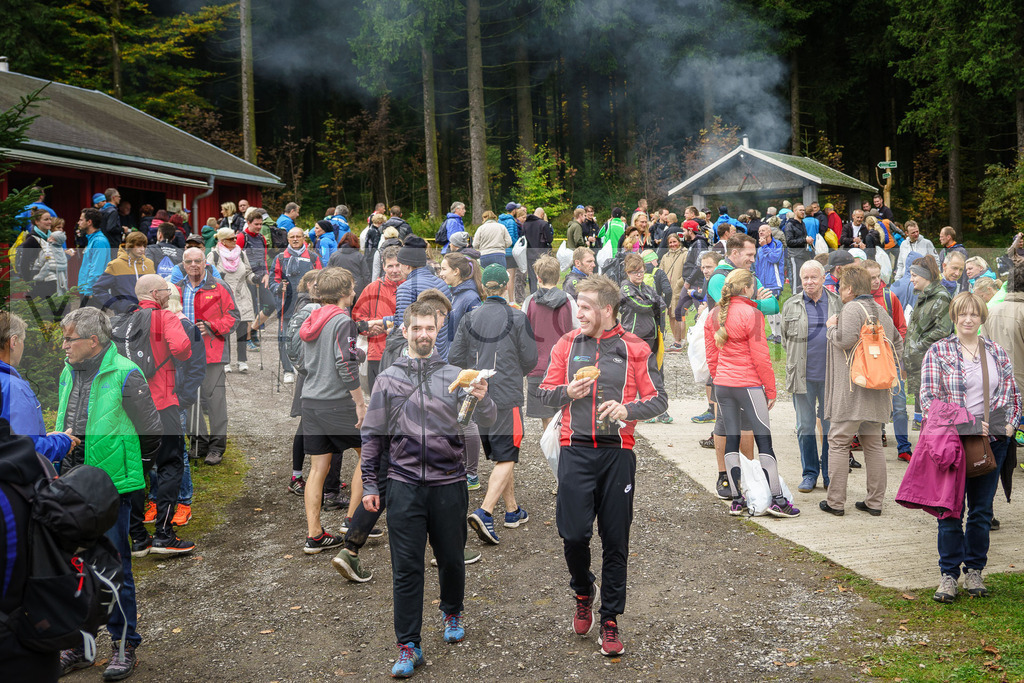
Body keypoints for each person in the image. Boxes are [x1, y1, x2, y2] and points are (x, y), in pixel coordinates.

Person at [359, 300, 495, 677]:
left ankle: (452, 612)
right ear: (404, 331)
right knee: (406, 568)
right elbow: (372, 435)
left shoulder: (457, 375)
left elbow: (486, 419)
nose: (423, 334)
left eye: (430, 328)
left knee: (452, 558)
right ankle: (408, 644)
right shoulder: (387, 378)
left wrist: (483, 399)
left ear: (439, 332)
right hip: (403, 484)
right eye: (416, 328)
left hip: (449, 483)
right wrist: (371, 480)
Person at [538, 274, 667, 657]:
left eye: (586, 306)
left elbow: (659, 400)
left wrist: (628, 409)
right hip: (575, 449)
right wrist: (567, 392)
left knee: (615, 540)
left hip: (618, 454)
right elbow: (544, 393)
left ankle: (610, 619)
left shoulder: (635, 348)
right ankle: (582, 589)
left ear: (607, 310)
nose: (578, 312)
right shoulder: (567, 344)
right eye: (578, 305)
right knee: (574, 534)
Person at [55, 307, 162, 680]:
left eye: (69, 339)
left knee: (114, 568)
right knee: (74, 567)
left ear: (93, 341)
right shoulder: (69, 371)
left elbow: (151, 431)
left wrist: (138, 476)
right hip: (71, 483)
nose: (63, 345)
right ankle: (80, 645)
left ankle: (123, 644)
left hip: (113, 486)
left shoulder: (125, 374)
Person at [920, 292, 1020, 602]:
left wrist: (1009, 426)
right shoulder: (938, 352)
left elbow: (1012, 394)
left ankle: (974, 571)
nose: (968, 319)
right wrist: (969, 424)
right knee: (949, 511)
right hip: (952, 444)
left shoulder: (997, 352)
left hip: (992, 445)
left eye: (974, 314)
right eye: (962, 314)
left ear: (981, 318)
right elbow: (928, 402)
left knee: (981, 512)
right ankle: (948, 575)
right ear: (954, 316)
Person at [453, 265, 538, 544]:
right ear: (505, 286)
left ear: (483, 286)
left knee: (502, 456)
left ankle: (512, 511)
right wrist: (514, 373)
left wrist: (476, 375)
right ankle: (485, 512)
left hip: (478, 395)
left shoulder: (469, 317)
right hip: (506, 394)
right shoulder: (517, 316)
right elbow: (531, 359)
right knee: (507, 455)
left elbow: (456, 357)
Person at [706, 268, 799, 518]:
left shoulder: (714, 314)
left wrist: (718, 378)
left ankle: (738, 499)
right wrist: (770, 389)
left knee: (731, 440)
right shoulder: (752, 313)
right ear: (747, 289)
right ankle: (778, 499)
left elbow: (711, 354)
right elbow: (761, 357)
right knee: (764, 441)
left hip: (723, 384)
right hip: (747, 383)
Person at [818, 265, 903, 517]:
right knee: (873, 444)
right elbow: (897, 342)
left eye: (842, 287)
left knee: (838, 442)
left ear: (850, 289)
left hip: (852, 389)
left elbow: (843, 340)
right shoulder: (881, 311)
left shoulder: (851, 308)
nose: (839, 291)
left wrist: (831, 327)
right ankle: (874, 502)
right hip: (877, 389)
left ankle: (835, 502)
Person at [297, 267, 366, 554]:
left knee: (317, 468)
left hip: (310, 400)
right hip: (338, 401)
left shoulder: (312, 317)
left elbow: (304, 361)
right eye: (351, 288)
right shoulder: (342, 320)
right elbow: (345, 365)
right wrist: (360, 402)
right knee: (371, 453)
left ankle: (315, 535)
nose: (354, 292)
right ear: (343, 293)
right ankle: (353, 521)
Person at [126, 274, 195, 556]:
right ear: (156, 293)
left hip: (131, 405)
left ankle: (138, 538)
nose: (169, 293)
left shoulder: (125, 320)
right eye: (166, 290)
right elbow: (182, 349)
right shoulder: (165, 317)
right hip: (162, 401)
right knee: (170, 464)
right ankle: (164, 535)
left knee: (136, 468)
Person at [782, 261, 841, 493]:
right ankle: (809, 474)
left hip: (831, 377)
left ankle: (829, 474)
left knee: (829, 427)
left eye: (813, 278)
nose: (809, 282)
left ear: (823, 277)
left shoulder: (838, 302)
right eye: (805, 278)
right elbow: (786, 340)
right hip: (802, 377)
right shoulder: (791, 304)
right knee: (805, 426)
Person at [180, 247, 238, 466]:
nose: (194, 265)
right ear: (183, 264)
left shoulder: (220, 286)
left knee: (215, 401)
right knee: (189, 399)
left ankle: (216, 446)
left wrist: (211, 326)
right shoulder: (176, 287)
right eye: (189, 261)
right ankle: (198, 442)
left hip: (212, 352)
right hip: (184, 353)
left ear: (205, 262)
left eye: (198, 261)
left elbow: (233, 318)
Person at [0, 312, 77, 462]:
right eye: (23, 340)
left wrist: (43, 437)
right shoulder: (13, 387)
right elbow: (26, 450)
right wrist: (63, 441)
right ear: (13, 342)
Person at [863, 259, 912, 460]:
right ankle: (878, 435)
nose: (876, 281)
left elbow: (901, 327)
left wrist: (895, 351)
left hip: (890, 360)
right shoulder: (857, 300)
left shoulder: (889, 297)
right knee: (871, 402)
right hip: (867, 361)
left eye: (878, 276)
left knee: (899, 404)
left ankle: (903, 447)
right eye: (871, 278)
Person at [522, 256, 578, 430]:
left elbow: (524, 332)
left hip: (537, 366)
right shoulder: (569, 300)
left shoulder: (529, 301)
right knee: (565, 413)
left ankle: (552, 454)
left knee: (546, 418)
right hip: (563, 365)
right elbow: (578, 329)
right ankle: (564, 450)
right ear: (558, 277)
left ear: (538, 277)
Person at [904, 255, 953, 431]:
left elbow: (943, 331)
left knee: (934, 418)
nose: (911, 279)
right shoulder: (924, 296)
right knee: (925, 416)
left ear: (925, 275)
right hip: (920, 363)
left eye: (914, 275)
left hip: (932, 366)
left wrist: (917, 346)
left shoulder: (940, 297)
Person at [272, 227, 324, 384]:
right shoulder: (280, 258)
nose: (295, 239)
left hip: (308, 305)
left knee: (309, 337)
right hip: (286, 305)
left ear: (303, 239)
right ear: (287, 239)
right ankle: (288, 369)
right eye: (292, 237)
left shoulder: (313, 257)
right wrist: (279, 287)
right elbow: (273, 281)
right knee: (285, 338)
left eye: (298, 236)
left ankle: (305, 367)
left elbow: (321, 279)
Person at [352, 245, 404, 391]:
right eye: (390, 266)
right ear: (383, 267)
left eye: (398, 265)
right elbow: (358, 319)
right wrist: (369, 328)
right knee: (377, 398)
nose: (394, 270)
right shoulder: (372, 288)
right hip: (377, 353)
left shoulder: (410, 287)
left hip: (404, 353)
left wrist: (383, 323)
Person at [393, 236, 452, 359]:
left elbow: (403, 326)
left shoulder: (406, 288)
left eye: (399, 265)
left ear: (407, 266)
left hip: (420, 356)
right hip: (442, 354)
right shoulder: (443, 284)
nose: (398, 270)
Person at [208, 227, 258, 373]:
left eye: (235, 237)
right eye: (231, 239)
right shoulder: (214, 255)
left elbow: (247, 272)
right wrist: (218, 278)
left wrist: (254, 278)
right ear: (222, 241)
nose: (235, 240)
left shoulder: (241, 254)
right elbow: (208, 274)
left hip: (242, 295)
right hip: (223, 296)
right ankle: (226, 361)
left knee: (242, 329)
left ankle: (242, 360)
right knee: (225, 330)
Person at [90, 231, 156, 314]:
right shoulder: (115, 265)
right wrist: (119, 305)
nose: (142, 249)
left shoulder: (149, 264)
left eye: (144, 246)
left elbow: (155, 288)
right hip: (125, 315)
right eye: (138, 245)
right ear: (130, 246)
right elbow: (98, 289)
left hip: (148, 312)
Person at [237, 207, 275, 350]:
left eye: (261, 224)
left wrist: (266, 274)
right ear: (248, 223)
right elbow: (236, 257)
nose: (259, 227)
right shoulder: (242, 237)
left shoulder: (262, 238)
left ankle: (253, 330)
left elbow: (264, 258)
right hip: (247, 278)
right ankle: (247, 340)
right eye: (256, 224)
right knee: (250, 309)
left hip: (262, 276)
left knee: (271, 304)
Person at [754, 223, 785, 341]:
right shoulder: (760, 248)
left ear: (769, 232)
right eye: (759, 231)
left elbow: (774, 258)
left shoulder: (777, 244)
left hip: (774, 281)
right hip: (763, 282)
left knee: (774, 307)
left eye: (763, 230)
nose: (761, 232)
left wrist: (765, 247)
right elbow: (757, 265)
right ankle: (774, 333)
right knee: (768, 308)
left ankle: (781, 334)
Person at [76, 207, 112, 307]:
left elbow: (97, 269)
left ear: (89, 222)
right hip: (88, 290)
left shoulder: (99, 241)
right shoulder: (93, 239)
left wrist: (88, 291)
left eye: (81, 219)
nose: (78, 222)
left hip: (92, 293)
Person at [659, 232, 687, 351]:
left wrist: (679, 284)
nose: (672, 244)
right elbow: (661, 271)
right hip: (668, 291)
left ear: (679, 241)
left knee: (680, 315)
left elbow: (686, 272)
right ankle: (676, 340)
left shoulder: (685, 254)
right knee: (671, 315)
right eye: (670, 242)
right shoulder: (665, 256)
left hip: (679, 289)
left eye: (674, 242)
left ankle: (681, 340)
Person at [328, 231, 369, 298]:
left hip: (339, 287)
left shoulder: (334, 255)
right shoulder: (359, 256)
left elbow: (328, 274)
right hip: (357, 288)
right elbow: (366, 275)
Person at [522, 207, 554, 293]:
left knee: (532, 276)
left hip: (530, 253)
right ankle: (545, 292)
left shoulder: (525, 224)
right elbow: (549, 239)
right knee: (544, 274)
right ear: (542, 215)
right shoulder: (543, 224)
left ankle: (533, 294)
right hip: (542, 254)